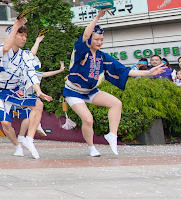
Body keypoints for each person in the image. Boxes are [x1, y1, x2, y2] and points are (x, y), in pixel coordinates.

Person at [62, 9, 164, 157]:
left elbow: (124, 71)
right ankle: (91, 147)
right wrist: (97, 17)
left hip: (91, 91)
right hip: (73, 92)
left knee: (116, 103)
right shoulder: (80, 52)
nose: (99, 42)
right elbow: (85, 35)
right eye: (96, 39)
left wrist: (148, 72)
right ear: (90, 39)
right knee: (88, 119)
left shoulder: (103, 57)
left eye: (101, 40)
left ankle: (112, 135)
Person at [0, 18, 52, 159]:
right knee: (5, 123)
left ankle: (29, 139)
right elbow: (5, 48)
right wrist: (16, 25)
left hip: (13, 91)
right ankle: (17, 145)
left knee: (38, 104)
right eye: (21, 35)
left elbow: (31, 73)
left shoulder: (25, 55)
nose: (24, 38)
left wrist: (38, 90)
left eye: (25, 35)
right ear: (12, 35)